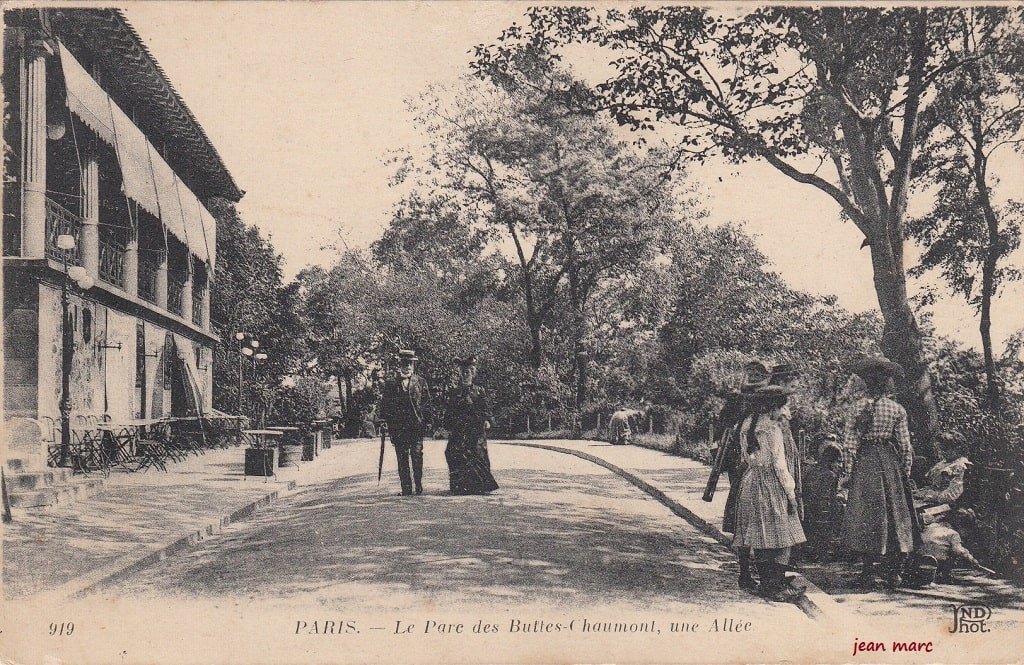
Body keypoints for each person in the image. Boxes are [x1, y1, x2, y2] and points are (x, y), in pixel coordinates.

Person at [839, 357, 921, 589]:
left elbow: (849, 444)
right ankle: (894, 573)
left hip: (866, 462)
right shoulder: (896, 409)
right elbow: (905, 446)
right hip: (889, 460)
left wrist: (848, 471)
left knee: (867, 514)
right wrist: (904, 472)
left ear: (866, 383)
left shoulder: (855, 408)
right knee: (895, 513)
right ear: (886, 384)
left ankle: (867, 572)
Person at [733, 385, 807, 601]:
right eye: (782, 407)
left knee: (761, 536)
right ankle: (774, 585)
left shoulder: (747, 424)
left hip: (751, 481)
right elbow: (779, 464)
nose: (784, 411)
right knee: (785, 535)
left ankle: (767, 583)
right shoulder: (773, 429)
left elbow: (747, 458)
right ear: (774, 407)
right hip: (771, 484)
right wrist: (791, 494)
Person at [717, 360, 771, 590]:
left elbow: (721, 426)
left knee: (744, 516)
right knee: (752, 516)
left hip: (740, 465)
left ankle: (747, 571)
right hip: (746, 465)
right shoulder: (754, 406)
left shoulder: (737, 402)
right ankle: (750, 571)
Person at [443, 355, 499, 495]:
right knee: (452, 451)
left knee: (477, 453)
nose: (465, 375)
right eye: (463, 373)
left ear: (473, 374)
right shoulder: (455, 392)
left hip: (475, 429)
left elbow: (486, 409)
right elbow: (449, 412)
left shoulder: (479, 391)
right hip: (459, 429)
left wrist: (488, 421)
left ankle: (479, 485)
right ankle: (460, 486)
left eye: (468, 372)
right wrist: (447, 426)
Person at [381, 350, 432, 496]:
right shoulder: (391, 383)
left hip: (416, 426)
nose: (407, 366)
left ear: (413, 364)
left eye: (410, 363)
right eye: (405, 363)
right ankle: (406, 489)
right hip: (399, 428)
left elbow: (426, 404)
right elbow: (385, 405)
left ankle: (418, 486)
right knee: (402, 458)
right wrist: (384, 421)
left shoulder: (420, 382)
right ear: (400, 364)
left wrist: (428, 422)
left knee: (417, 455)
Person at [769, 363, 804, 519]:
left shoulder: (784, 406)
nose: (794, 390)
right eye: (792, 386)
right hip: (780, 454)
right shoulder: (775, 408)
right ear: (781, 384)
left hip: (787, 451)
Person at [800, 439, 843, 562]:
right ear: (830, 461)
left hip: (810, 509)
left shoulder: (812, 470)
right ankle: (823, 553)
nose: (840, 466)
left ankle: (814, 552)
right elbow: (831, 497)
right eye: (838, 462)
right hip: (823, 511)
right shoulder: (830, 475)